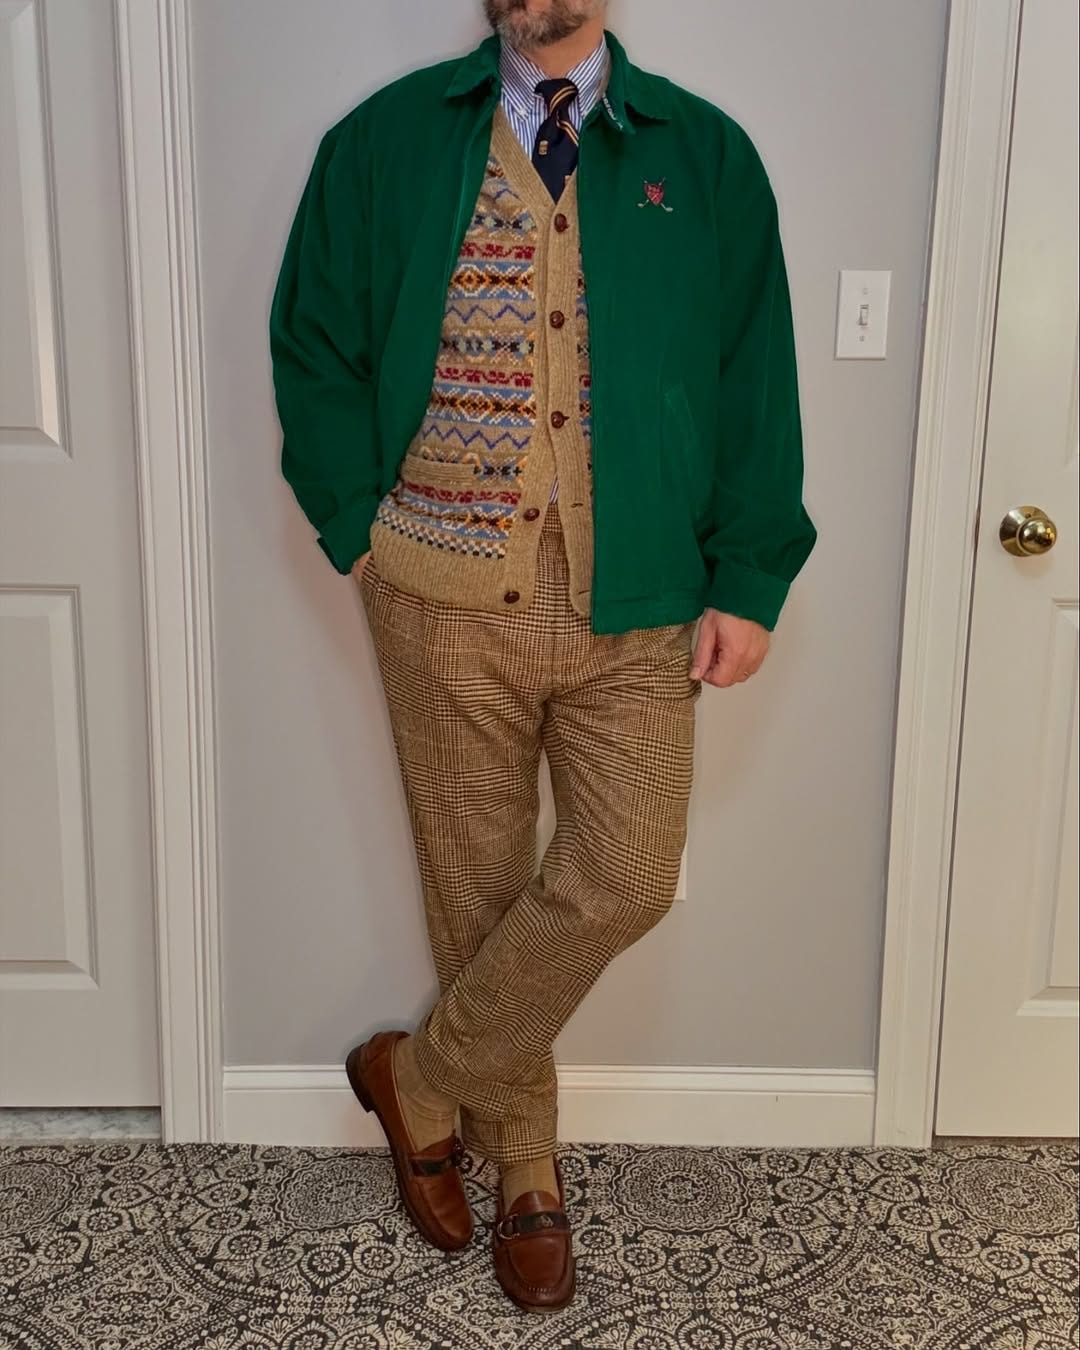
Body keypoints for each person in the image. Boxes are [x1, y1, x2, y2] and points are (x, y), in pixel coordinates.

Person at [269, 0, 816, 1314]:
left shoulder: (709, 155)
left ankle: (422, 1078)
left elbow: (756, 378)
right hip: (441, 594)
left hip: (636, 595)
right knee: (478, 886)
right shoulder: (388, 142)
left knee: (622, 872)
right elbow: (315, 343)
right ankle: (527, 1167)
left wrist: (750, 571)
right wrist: (361, 529)